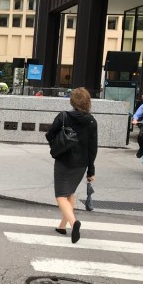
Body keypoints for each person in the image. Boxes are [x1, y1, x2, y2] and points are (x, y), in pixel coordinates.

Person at [45, 87, 97, 244]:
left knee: (61, 195)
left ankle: (74, 223)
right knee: (70, 193)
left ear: (72, 101)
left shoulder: (63, 116)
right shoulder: (91, 121)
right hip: (81, 164)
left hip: (64, 160)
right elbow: (92, 148)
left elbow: (49, 134)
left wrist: (56, 145)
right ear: (88, 102)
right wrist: (91, 170)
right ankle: (62, 226)